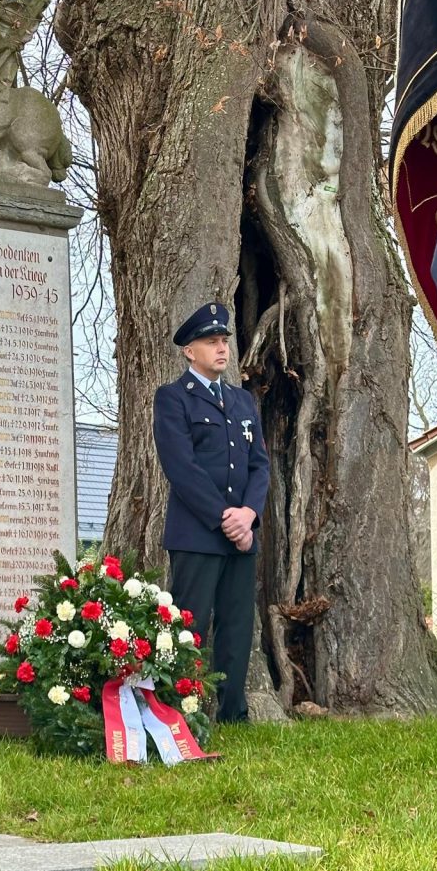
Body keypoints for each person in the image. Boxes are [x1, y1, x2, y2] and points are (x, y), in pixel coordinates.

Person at [153, 302, 270, 723]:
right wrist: (227, 518)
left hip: (242, 534)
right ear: (190, 350)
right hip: (198, 534)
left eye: (224, 341)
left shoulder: (242, 402)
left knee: (237, 630)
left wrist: (249, 516)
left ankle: (233, 713)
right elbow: (181, 468)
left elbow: (259, 464)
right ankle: (178, 715)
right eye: (211, 342)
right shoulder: (172, 399)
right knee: (189, 629)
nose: (221, 348)